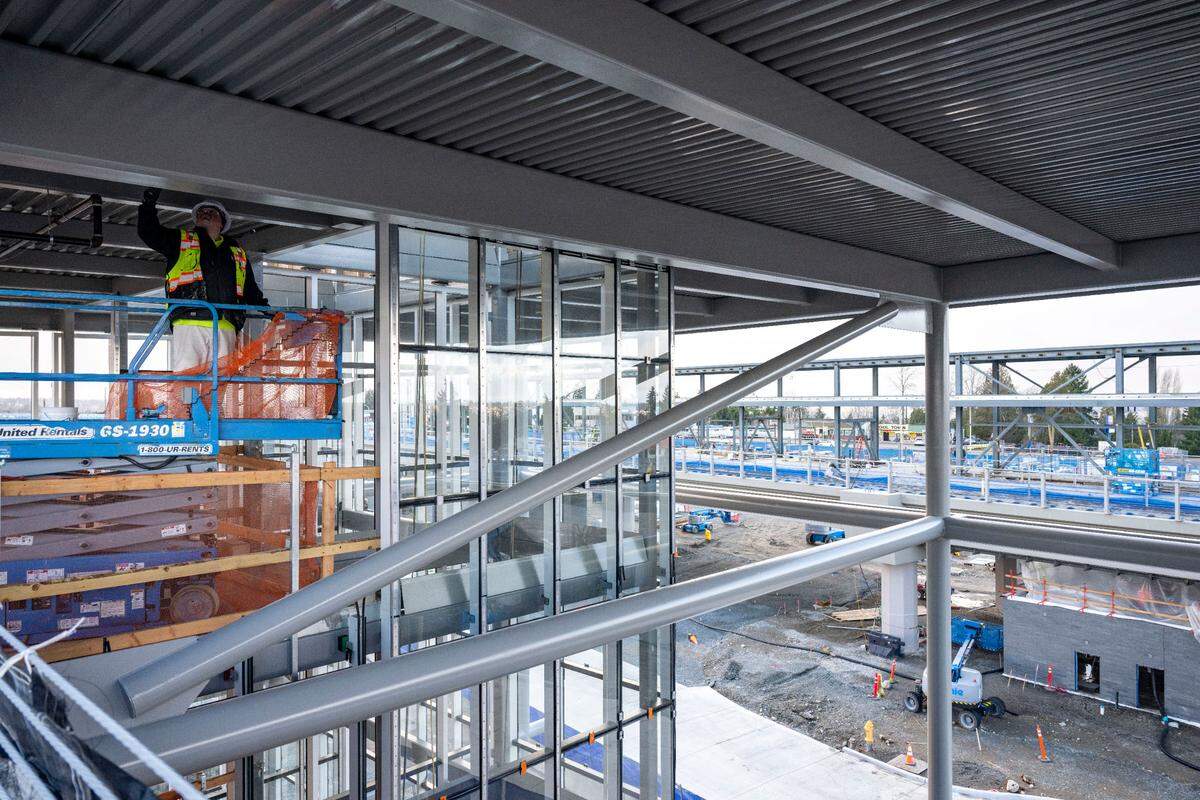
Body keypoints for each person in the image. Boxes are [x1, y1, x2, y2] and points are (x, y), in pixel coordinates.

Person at [137, 187, 267, 371]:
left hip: (225, 325)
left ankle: (212, 401)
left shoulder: (237, 254)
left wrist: (271, 312)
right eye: (201, 212)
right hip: (189, 322)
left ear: (221, 222)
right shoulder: (181, 240)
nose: (205, 214)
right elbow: (149, 232)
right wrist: (148, 206)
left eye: (211, 212)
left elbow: (251, 291)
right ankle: (186, 402)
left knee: (220, 385)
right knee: (187, 380)